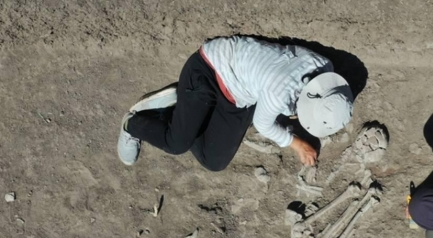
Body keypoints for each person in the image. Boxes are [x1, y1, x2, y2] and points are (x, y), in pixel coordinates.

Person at [117, 35, 354, 170]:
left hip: (241, 94)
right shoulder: (279, 92)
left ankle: (184, 112)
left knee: (214, 161)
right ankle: (134, 123)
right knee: (176, 143)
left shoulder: (324, 66)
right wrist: (298, 144)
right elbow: (263, 125)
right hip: (207, 70)